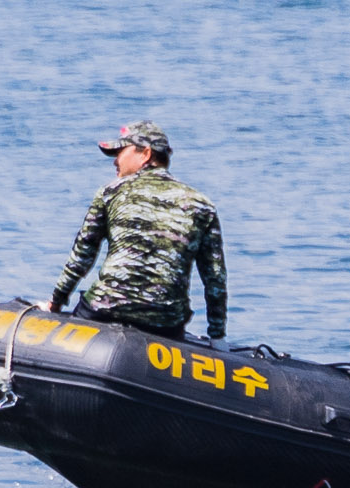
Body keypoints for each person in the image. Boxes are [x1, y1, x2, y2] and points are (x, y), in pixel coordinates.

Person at [49, 121, 229, 340]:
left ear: (145, 153)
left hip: (105, 309)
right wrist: (217, 336)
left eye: (120, 151)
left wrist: (56, 303)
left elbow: (82, 256)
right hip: (165, 322)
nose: (115, 160)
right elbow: (215, 280)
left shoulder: (110, 192)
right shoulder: (202, 205)